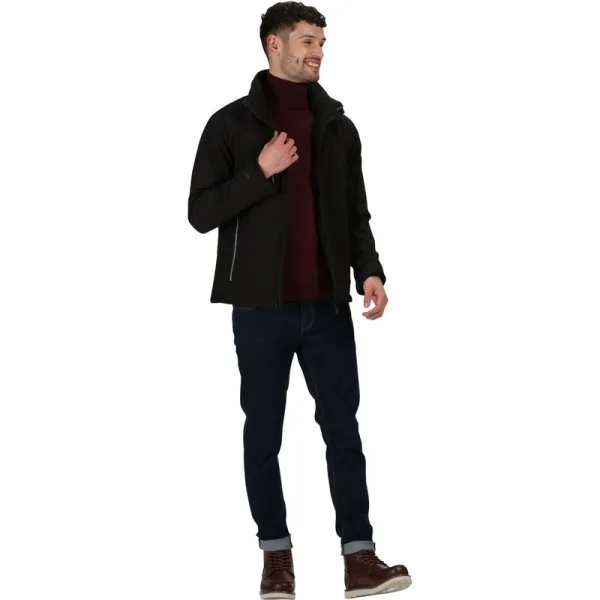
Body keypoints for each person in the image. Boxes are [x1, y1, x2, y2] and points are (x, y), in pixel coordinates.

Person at [187, 2, 412, 598]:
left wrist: (369, 271)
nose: (318, 52)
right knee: (263, 434)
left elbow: (356, 212)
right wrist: (259, 171)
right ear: (274, 44)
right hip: (261, 310)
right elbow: (200, 212)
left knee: (344, 431)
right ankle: (276, 558)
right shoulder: (230, 125)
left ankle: (359, 559)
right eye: (308, 41)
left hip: (328, 308)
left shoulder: (337, 125)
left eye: (322, 43)